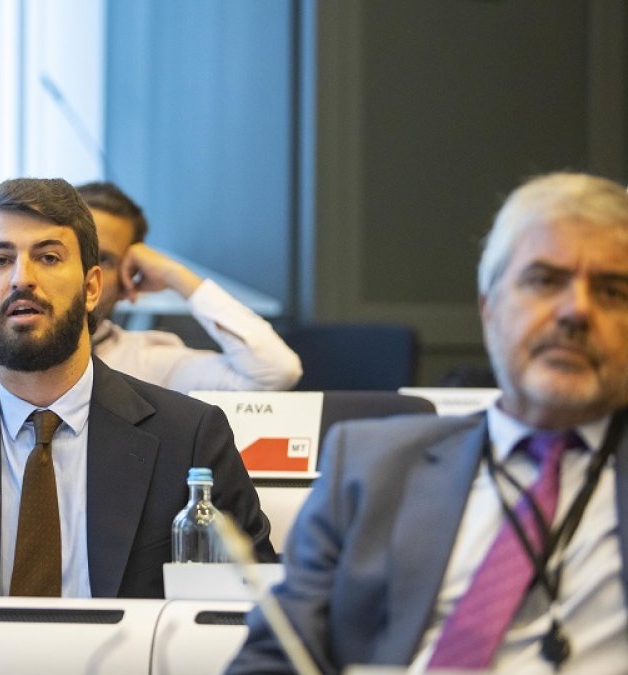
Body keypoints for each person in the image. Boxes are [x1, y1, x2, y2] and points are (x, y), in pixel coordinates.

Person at [229, 172, 628, 674]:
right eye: (545, 281)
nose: (577, 311)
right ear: (490, 311)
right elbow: (273, 660)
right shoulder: (373, 468)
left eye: (613, 291)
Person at [0, 178, 276, 599]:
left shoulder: (190, 438)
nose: (21, 279)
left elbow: (256, 609)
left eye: (48, 257)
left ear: (91, 289)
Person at [0, 181, 303, 407]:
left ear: (96, 281)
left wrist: (177, 277)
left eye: (104, 259)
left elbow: (273, 372)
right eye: (53, 254)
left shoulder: (153, 361)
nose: (25, 278)